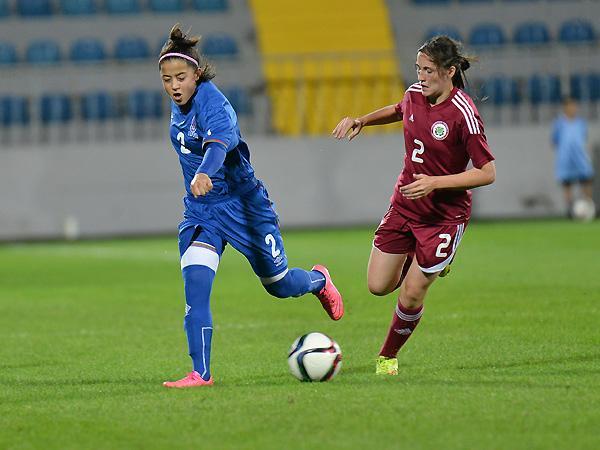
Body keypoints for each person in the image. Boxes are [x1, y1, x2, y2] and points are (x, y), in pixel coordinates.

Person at [160, 24, 344, 388]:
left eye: (181, 78)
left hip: (244, 206)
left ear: (197, 74)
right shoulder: (178, 104)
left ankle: (319, 280)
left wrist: (205, 171)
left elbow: (218, 146)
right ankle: (201, 373)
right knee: (196, 286)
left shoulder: (214, 104)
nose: (174, 86)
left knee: (279, 284)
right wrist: (200, 183)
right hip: (203, 211)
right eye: (167, 80)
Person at [332, 36, 495, 375]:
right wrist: (363, 120)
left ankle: (387, 356)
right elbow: (399, 109)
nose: (421, 76)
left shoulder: (463, 113)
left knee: (412, 291)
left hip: (444, 216)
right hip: (406, 205)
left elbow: (487, 172)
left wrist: (435, 182)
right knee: (378, 286)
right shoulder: (414, 94)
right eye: (418, 68)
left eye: (428, 70)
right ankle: (426, 261)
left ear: (450, 71)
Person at [551, 97, 595, 217]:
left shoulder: (581, 123)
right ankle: (570, 211)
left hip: (580, 158)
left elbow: (584, 138)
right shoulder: (559, 124)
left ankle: (589, 209)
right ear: (565, 108)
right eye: (570, 106)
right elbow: (554, 141)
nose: (572, 108)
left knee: (586, 181)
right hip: (565, 159)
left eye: (574, 106)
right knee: (567, 184)